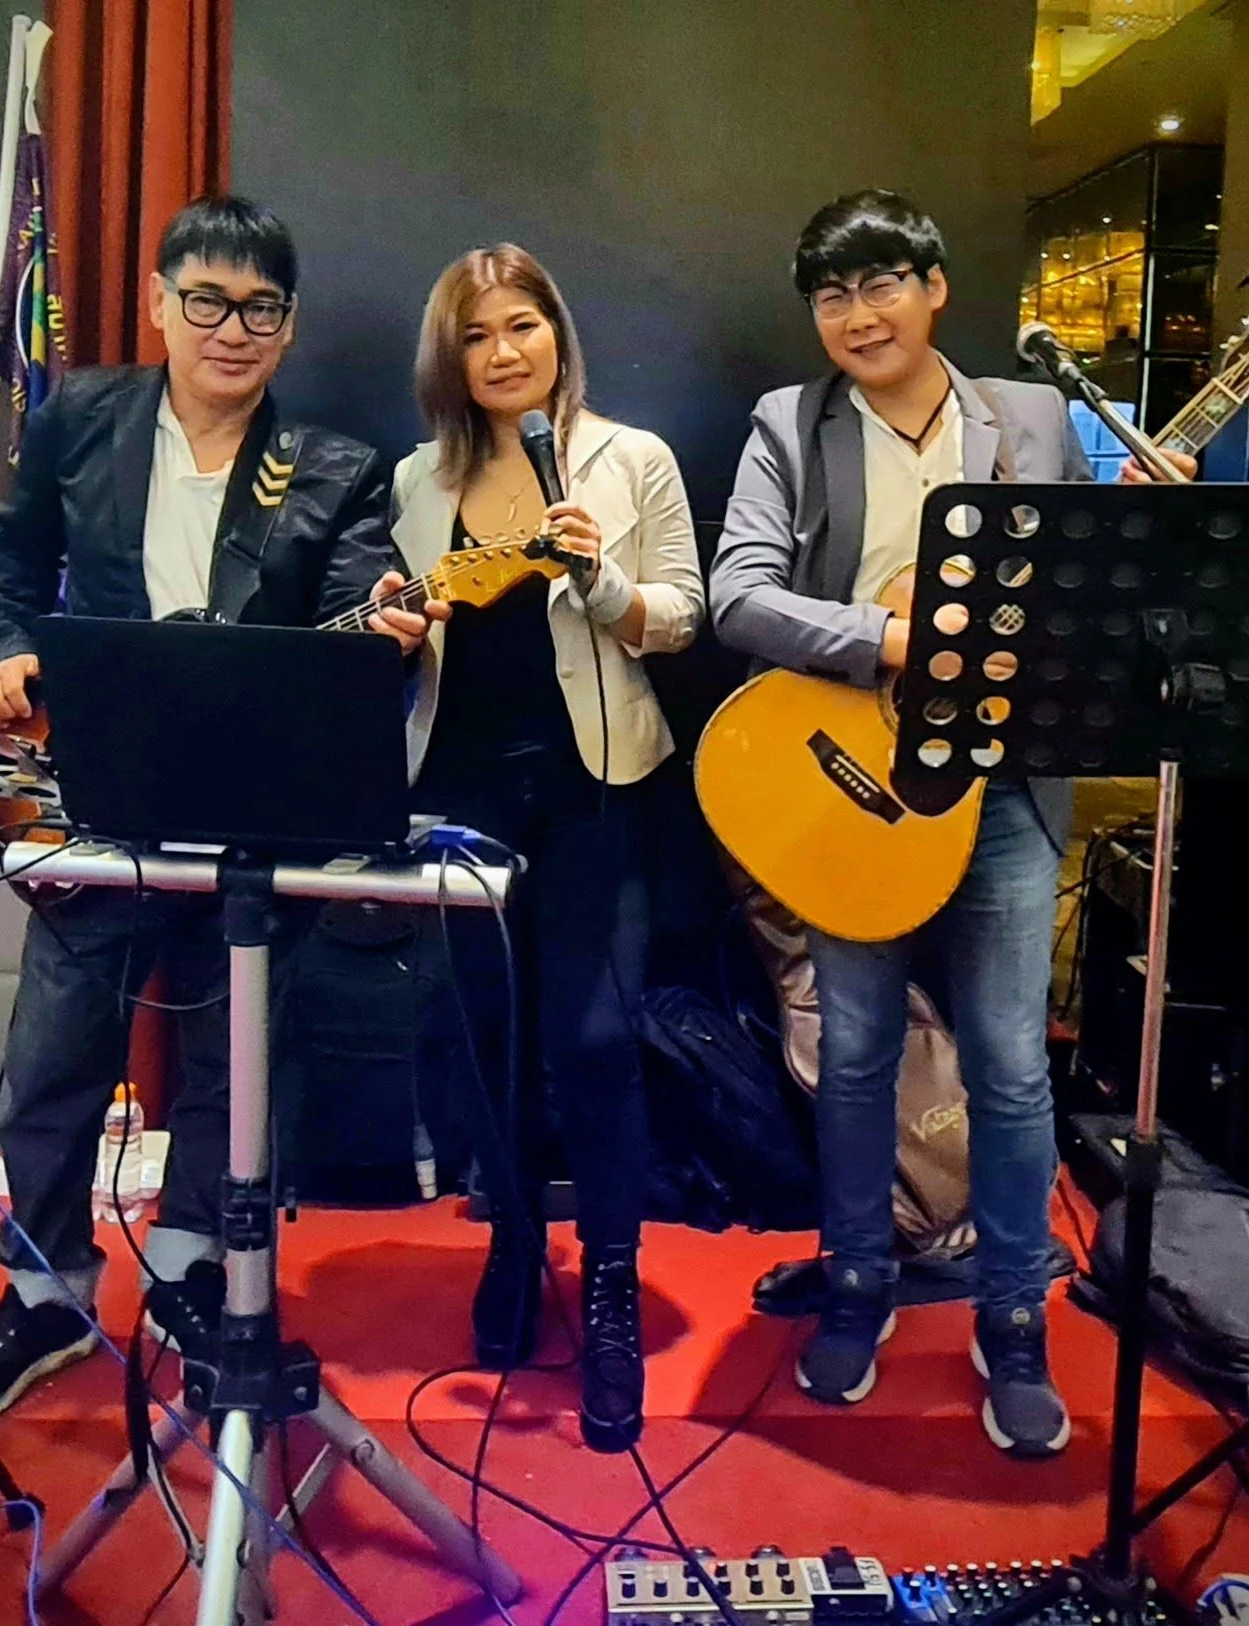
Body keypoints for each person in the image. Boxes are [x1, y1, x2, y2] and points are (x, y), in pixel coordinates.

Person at [710, 191, 1193, 1456]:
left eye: (881, 284)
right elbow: (736, 594)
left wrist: (1154, 524)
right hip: (852, 789)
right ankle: (856, 1283)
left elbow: (1097, 596)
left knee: (1011, 1064)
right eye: (831, 295)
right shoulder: (788, 424)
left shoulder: (1028, 418)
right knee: (855, 1053)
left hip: (1003, 788)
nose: (857, 315)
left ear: (933, 287)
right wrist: (886, 638)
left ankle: (1012, 1313)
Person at [0, 195, 421, 1422]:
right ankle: (44, 1289)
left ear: (288, 326)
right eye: (205, 300)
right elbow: (10, 567)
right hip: (98, 787)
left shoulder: (334, 467)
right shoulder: (79, 419)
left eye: (259, 308)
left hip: (256, 805)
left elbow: (361, 620)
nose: (230, 329)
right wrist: (2, 649)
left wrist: (392, 635)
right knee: (53, 1055)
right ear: (158, 303)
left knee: (230, 1059)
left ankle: (193, 1270)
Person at [375, 244, 704, 1451]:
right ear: (449, 359)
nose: (503, 350)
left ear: (557, 332)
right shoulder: (416, 480)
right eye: (475, 334)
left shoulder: (629, 459)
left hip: (596, 788)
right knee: (485, 1039)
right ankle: (513, 1244)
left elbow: (683, 616)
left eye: (521, 324)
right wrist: (396, 628)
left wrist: (602, 581)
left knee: (595, 1043)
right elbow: (407, 632)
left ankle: (609, 1284)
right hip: (460, 792)